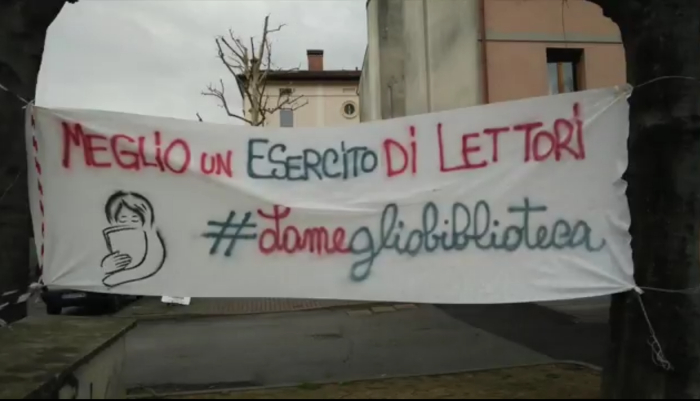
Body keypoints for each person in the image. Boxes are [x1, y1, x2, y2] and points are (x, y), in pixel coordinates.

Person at [100, 191, 166, 288]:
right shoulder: (111, 239)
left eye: (135, 220)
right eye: (122, 220)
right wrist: (106, 267)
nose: (129, 223)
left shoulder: (152, 239)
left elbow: (150, 265)